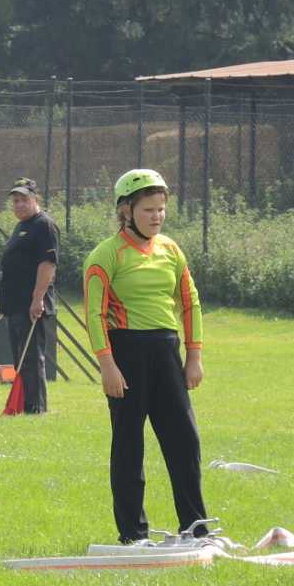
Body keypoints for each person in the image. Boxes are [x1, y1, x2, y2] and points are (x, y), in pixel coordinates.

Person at [83, 169, 207, 543]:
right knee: (129, 446)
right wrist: (107, 365)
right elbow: (93, 314)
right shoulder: (105, 255)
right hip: (126, 355)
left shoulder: (171, 250)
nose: (157, 216)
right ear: (126, 211)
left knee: (185, 441)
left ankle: (196, 527)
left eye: (161, 209)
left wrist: (193, 356)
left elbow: (190, 302)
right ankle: (133, 534)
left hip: (166, 352)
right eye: (148, 209)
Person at [0, 177, 59, 414]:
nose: (19, 205)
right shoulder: (20, 226)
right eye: (16, 200)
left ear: (35, 199)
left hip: (31, 305)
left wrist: (37, 299)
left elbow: (47, 264)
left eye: (24, 199)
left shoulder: (43, 225)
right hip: (14, 305)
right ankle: (24, 405)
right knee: (20, 361)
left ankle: (36, 409)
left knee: (32, 359)